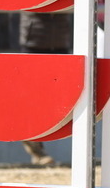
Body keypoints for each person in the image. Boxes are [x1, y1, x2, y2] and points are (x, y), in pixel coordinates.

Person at [18, 11, 72, 165]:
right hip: (34, 39)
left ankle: (37, 144)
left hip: (60, 39)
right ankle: (36, 147)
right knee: (31, 98)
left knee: (56, 97)